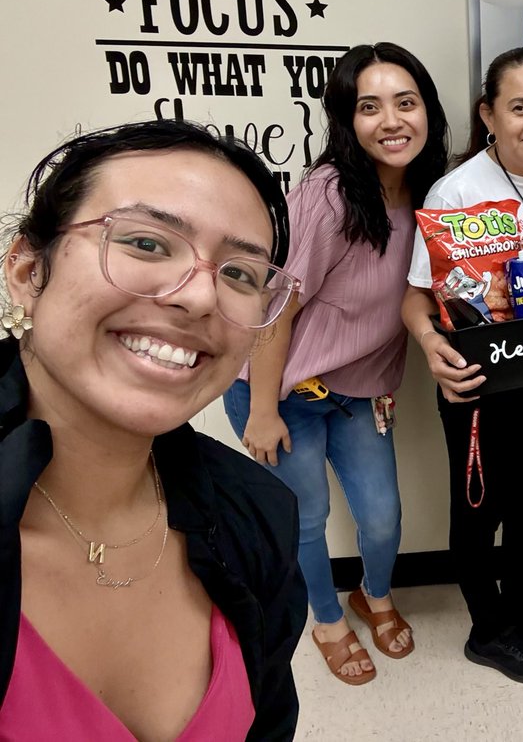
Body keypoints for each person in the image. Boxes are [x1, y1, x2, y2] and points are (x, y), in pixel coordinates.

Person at [0, 120, 306, 739]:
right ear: (29, 270)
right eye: (146, 242)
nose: (199, 298)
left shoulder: (259, 517)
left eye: (240, 274)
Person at [224, 43, 448, 685]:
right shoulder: (327, 196)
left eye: (406, 103)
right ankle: (325, 621)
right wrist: (262, 411)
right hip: (280, 387)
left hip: (359, 391)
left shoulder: (437, 195)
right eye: (368, 107)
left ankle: (372, 596)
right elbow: (273, 312)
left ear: (428, 110)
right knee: (308, 516)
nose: (391, 120)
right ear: (346, 121)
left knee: (382, 516)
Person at [402, 47, 523, 685]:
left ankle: (520, 595)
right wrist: (432, 349)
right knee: (480, 505)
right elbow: (416, 297)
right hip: (483, 384)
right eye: (519, 107)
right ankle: (487, 625)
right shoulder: (456, 191)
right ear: (489, 114)